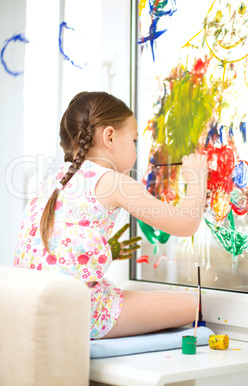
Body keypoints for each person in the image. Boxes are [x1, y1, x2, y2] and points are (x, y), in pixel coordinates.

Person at [14, 91, 208, 340]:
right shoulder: (114, 182)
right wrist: (196, 177)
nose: (137, 150)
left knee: (131, 289)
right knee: (192, 304)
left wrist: (106, 251)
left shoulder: (55, 180)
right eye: (134, 140)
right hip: (79, 312)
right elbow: (186, 223)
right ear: (110, 137)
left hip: (34, 308)